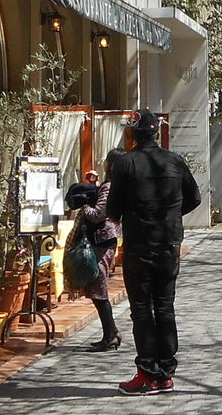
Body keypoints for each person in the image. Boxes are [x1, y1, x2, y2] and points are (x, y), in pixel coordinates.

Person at [105, 109, 201, 395]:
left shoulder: (125, 163)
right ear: (157, 132)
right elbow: (194, 198)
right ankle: (166, 372)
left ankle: (148, 372)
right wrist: (170, 215)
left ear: (132, 133)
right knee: (165, 306)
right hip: (170, 244)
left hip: (140, 245)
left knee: (142, 309)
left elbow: (112, 210)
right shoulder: (175, 161)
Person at [65, 160, 123, 351]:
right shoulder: (110, 185)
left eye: (108, 160)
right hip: (102, 241)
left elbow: (98, 214)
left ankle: (110, 335)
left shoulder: (110, 186)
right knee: (97, 288)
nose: (105, 163)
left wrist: (84, 205)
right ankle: (111, 332)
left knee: (99, 288)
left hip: (101, 242)